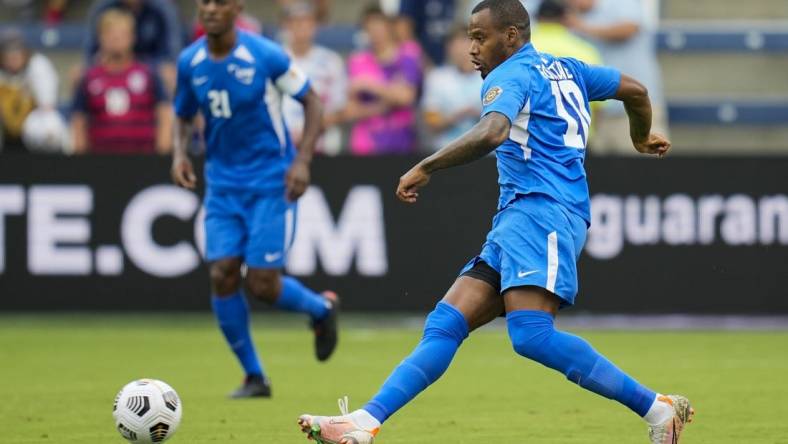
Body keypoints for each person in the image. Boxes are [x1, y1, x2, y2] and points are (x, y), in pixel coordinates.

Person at [296, 1, 693, 443]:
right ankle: (366, 422)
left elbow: (492, 132)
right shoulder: (569, 68)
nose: (471, 48)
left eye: (480, 36)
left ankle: (657, 409)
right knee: (446, 323)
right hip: (520, 218)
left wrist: (426, 166)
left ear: (511, 36)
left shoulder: (511, 73)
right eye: (470, 36)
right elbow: (636, 90)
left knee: (531, 335)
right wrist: (641, 137)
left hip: (542, 212)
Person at [171, 0, 339, 398]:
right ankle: (254, 376)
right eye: (205, 2)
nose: (211, 9)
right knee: (222, 273)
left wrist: (301, 161)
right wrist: (179, 153)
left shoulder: (265, 55)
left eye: (220, 2)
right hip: (222, 186)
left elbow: (312, 102)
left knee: (263, 284)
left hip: (270, 183)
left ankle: (320, 309)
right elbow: (182, 113)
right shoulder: (189, 61)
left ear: (237, 8)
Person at [566, 0, 668, 154]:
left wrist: (580, 27)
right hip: (596, 115)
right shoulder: (568, 14)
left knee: (645, 172)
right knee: (603, 175)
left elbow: (629, 28)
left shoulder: (621, 3)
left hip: (637, 112)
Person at [71, 9, 171, 154]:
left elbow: (164, 114)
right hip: (100, 162)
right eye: (110, 34)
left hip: (144, 159)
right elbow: (79, 120)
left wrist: (162, 155)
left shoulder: (149, 73)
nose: (116, 39)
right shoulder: (88, 78)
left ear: (132, 38)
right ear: (100, 38)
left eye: (122, 34)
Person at [346, 5, 422, 155]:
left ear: (389, 27)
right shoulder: (357, 61)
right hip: (367, 143)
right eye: (370, 28)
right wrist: (387, 102)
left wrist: (369, 85)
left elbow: (406, 97)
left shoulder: (407, 56)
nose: (375, 33)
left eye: (379, 27)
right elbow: (350, 111)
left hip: (402, 139)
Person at [280, 1, 347, 156]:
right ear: (286, 25)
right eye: (296, 21)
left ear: (315, 25)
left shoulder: (331, 60)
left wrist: (307, 133)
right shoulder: (274, 58)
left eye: (307, 21)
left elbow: (340, 108)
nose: (301, 26)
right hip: (279, 148)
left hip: (321, 148)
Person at [83, 0, 182, 92]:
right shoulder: (103, 8)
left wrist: (139, 67)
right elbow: (91, 54)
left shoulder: (162, 9)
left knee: (169, 73)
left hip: (152, 68)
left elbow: (171, 54)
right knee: (81, 76)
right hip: (111, 65)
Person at [0, 29, 66, 153]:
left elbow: (47, 107)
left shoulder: (38, 67)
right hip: (6, 133)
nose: (13, 57)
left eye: (17, 51)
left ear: (25, 52)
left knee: (49, 124)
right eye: (8, 53)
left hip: (33, 132)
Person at [421, 25, 482, 151]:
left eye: (465, 44)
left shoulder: (491, 78)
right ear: (448, 49)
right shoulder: (437, 78)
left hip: (485, 154)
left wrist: (478, 115)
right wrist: (457, 117)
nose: (461, 51)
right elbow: (431, 122)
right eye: (455, 45)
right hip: (445, 152)